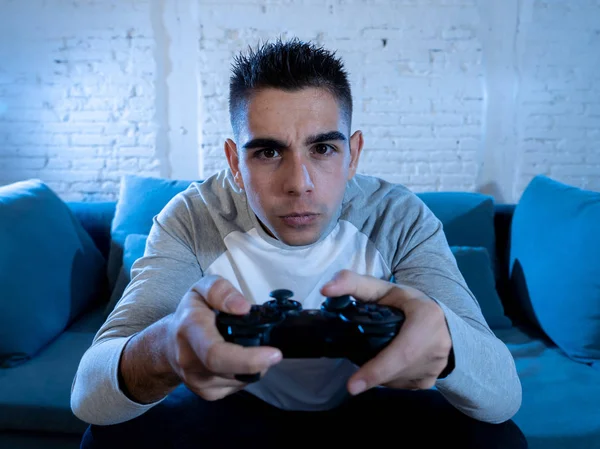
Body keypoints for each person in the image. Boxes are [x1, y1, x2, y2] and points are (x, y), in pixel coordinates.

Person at [71, 38, 527, 448]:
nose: (299, 184)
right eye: (268, 152)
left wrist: (447, 347)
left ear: (354, 154)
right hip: (236, 404)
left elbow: (504, 395)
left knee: (498, 440)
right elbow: (89, 397)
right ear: (234, 160)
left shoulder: (397, 216)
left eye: (324, 149)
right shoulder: (192, 217)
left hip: (366, 398)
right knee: (108, 440)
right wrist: (166, 347)